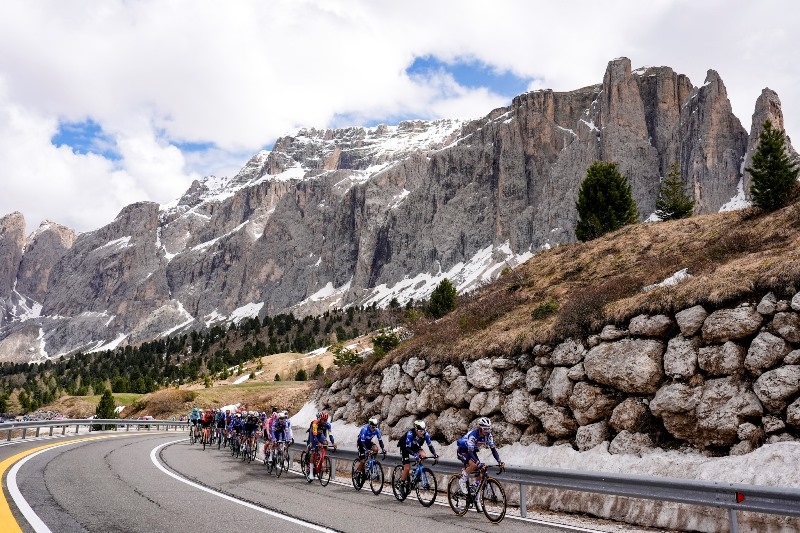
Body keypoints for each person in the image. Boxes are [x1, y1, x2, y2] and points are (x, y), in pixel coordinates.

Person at [455, 417, 505, 493]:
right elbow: (470, 453)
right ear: (480, 428)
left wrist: (499, 461)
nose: (487, 431)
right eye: (485, 428)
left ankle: (476, 489)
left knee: (481, 470)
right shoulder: (473, 435)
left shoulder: (488, 436)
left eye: (488, 428)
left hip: (472, 450)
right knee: (474, 465)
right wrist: (478, 463)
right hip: (463, 451)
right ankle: (462, 481)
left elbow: (493, 450)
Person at [398, 420, 438, 491]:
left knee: (423, 455)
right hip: (405, 447)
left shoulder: (425, 434)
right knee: (407, 468)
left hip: (414, 446)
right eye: (420, 431)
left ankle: (416, 471)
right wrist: (414, 454)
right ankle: (401, 484)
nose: (422, 432)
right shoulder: (410, 433)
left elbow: (430, 446)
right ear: (416, 430)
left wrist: (435, 454)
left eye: (423, 431)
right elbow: (407, 448)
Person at [307, 410, 335, 481]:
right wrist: (318, 443)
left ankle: (321, 458)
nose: (324, 422)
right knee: (313, 451)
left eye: (326, 420)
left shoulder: (328, 425)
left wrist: (333, 443)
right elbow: (314, 436)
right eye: (323, 420)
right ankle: (310, 473)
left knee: (325, 442)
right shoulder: (315, 423)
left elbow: (330, 435)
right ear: (320, 419)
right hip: (313, 435)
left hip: (320, 434)